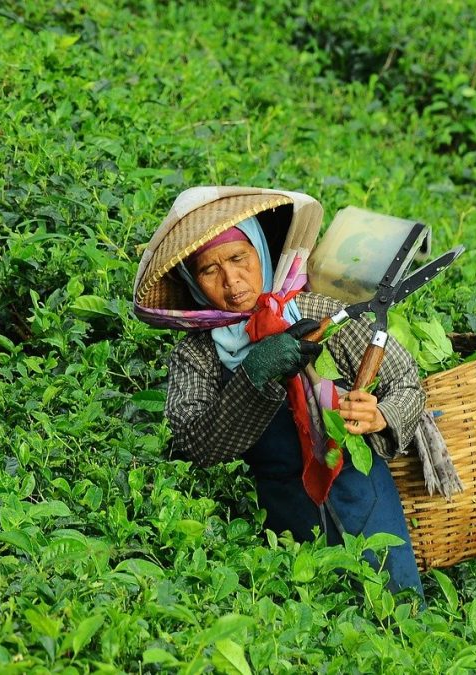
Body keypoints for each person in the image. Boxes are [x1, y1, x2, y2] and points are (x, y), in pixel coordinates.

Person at [134, 188, 425, 599]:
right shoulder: (197, 354)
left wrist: (383, 414)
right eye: (209, 270)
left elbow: (406, 380)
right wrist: (254, 374)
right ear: (191, 281)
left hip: (367, 500)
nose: (232, 281)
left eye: (239, 258)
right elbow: (193, 443)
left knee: (399, 615)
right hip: (286, 522)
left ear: (261, 253)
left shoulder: (317, 311)